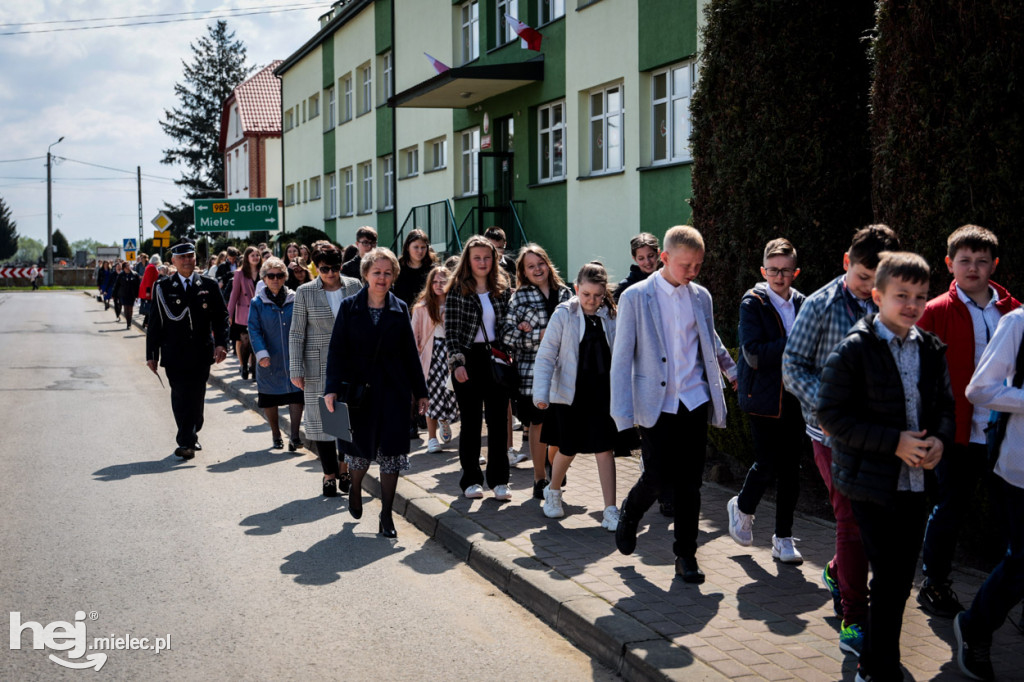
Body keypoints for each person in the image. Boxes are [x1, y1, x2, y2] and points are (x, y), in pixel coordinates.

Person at [817, 252, 955, 682]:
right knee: (891, 579)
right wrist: (893, 442)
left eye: (920, 296)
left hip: (915, 485)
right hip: (870, 485)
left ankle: (877, 661)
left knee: (897, 581)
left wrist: (940, 440)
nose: (912, 304)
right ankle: (877, 666)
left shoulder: (930, 348)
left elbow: (946, 406)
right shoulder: (855, 349)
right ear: (877, 296)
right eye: (901, 295)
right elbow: (832, 416)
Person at [782, 223, 900, 656]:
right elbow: (793, 366)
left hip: (882, 436)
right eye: (864, 279)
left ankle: (836, 570)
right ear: (847, 263)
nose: (871, 289)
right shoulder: (819, 305)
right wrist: (830, 409)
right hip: (832, 435)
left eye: (879, 280)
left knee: (877, 525)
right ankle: (854, 620)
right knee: (850, 522)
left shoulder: (896, 301)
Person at [610, 226, 737, 584]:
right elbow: (621, 359)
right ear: (664, 259)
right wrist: (621, 418)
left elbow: (709, 337)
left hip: (694, 399)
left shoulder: (701, 296)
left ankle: (686, 555)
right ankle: (631, 511)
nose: (693, 272)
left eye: (698, 265)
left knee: (689, 483)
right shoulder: (636, 297)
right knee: (656, 476)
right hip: (656, 403)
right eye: (686, 265)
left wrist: (731, 370)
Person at [916, 225, 1020, 618]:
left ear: (994, 264)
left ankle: (1012, 589)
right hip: (956, 431)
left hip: (1007, 433)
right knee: (950, 508)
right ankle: (935, 583)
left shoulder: (1014, 311)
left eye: (981, 261)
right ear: (949, 264)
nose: (973, 268)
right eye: (964, 260)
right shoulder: (935, 310)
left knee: (1013, 516)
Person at [323, 247, 428, 538]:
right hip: (359, 394)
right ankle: (355, 489)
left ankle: (386, 515)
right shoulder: (349, 307)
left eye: (387, 272)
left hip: (394, 391)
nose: (382, 278)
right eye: (376, 272)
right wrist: (331, 389)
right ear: (365, 274)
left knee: (392, 454)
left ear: (394, 276)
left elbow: (410, 354)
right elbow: (337, 351)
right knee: (358, 452)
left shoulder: (399, 308)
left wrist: (421, 392)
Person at [727, 238, 808, 564]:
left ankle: (783, 538)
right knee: (768, 462)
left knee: (792, 469)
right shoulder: (754, 302)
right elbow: (755, 354)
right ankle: (743, 506)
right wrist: (796, 343)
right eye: (773, 270)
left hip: (796, 396)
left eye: (786, 271)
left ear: (795, 272)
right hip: (762, 396)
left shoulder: (804, 303)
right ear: (763, 271)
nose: (779, 276)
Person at [954, 307, 1024, 682]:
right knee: (1021, 560)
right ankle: (976, 626)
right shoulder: (1017, 323)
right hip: (1020, 468)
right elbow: (979, 388)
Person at [533, 262, 619, 530]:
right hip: (571, 394)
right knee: (567, 448)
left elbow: (623, 354)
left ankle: (610, 509)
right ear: (576, 289)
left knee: (605, 449)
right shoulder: (564, 314)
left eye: (597, 295)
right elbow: (547, 355)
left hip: (603, 393)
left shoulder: (611, 316)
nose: (592, 301)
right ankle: (553, 491)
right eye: (586, 295)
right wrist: (541, 392)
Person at [445, 235, 515, 501]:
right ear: (468, 261)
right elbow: (451, 331)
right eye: (477, 258)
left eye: (487, 257)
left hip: (496, 357)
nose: (483, 262)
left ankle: (499, 481)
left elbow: (507, 324)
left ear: (494, 259)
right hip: (468, 358)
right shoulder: (458, 289)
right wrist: (457, 362)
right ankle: (471, 480)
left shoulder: (502, 287)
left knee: (498, 421)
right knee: (471, 422)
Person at [145, 240, 229, 460]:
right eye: (181, 257)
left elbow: (221, 317)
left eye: (190, 256)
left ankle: (192, 431)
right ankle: (186, 442)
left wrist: (221, 343)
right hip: (174, 353)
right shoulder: (163, 287)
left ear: (195, 259)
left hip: (201, 353)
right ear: (173, 261)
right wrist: (151, 354)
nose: (186, 260)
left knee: (197, 396)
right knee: (181, 396)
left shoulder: (208, 285)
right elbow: (155, 323)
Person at [289, 247, 362, 498]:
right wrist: (296, 368)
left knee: (347, 418)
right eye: (324, 269)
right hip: (317, 362)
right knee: (322, 421)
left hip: (350, 362)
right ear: (316, 268)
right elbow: (297, 333)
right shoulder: (305, 291)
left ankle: (343, 469)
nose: (330, 274)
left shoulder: (354, 286)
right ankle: (329, 474)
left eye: (335, 268)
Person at [503, 244, 573, 498]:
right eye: (530, 266)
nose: (537, 269)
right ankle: (539, 478)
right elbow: (508, 335)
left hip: (565, 369)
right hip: (531, 371)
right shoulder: (520, 297)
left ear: (547, 263)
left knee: (563, 424)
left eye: (540, 263)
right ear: (523, 271)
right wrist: (538, 335)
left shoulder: (566, 294)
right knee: (538, 422)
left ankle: (555, 466)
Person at [248, 257, 305, 451]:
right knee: (270, 397)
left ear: (285, 277)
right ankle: (275, 433)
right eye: (271, 275)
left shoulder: (295, 297)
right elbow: (253, 329)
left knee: (297, 395)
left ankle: (295, 436)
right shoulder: (257, 302)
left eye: (279, 275)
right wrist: (261, 353)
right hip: (269, 358)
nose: (275, 279)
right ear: (264, 278)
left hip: (293, 355)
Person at [411, 266, 458, 454]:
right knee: (431, 395)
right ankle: (431, 438)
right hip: (431, 355)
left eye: (443, 281)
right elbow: (414, 336)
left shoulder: (456, 302)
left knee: (453, 394)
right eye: (435, 281)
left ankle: (444, 420)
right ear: (430, 284)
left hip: (452, 354)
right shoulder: (422, 307)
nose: (439, 285)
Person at [228, 246, 261, 381]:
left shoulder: (264, 272)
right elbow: (234, 294)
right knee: (245, 342)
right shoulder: (239, 273)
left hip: (259, 313)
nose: (255, 257)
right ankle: (244, 365)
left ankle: (254, 369)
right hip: (243, 312)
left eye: (257, 255)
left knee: (255, 343)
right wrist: (229, 314)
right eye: (252, 255)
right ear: (247, 258)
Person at [393, 229, 437, 309]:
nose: (420, 251)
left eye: (423, 247)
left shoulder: (432, 269)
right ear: (407, 247)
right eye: (416, 247)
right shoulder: (397, 268)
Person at [614, 232, 661, 302]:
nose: (647, 262)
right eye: (641, 258)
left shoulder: (670, 279)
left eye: (651, 256)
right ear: (634, 259)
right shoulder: (625, 287)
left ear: (658, 253)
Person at [112, 260, 141, 331]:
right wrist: (114, 294)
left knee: (130, 309)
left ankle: (129, 323)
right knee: (125, 309)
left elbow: (138, 285)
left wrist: (137, 295)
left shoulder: (135, 274)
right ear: (124, 268)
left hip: (132, 294)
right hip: (123, 294)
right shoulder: (121, 275)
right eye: (127, 266)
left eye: (129, 265)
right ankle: (128, 320)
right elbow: (116, 285)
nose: (129, 267)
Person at [138, 254, 162, 329]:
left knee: (150, 308)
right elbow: (149, 280)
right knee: (150, 308)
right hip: (148, 290)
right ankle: (146, 323)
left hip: (148, 289)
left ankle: (145, 323)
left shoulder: (150, 266)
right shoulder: (151, 267)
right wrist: (148, 291)